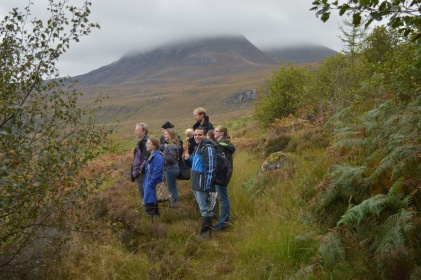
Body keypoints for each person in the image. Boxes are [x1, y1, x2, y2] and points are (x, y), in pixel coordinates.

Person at [184, 126, 217, 238]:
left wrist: (208, 187)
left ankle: (206, 234)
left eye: (200, 135)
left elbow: (211, 168)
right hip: (196, 183)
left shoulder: (207, 148)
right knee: (203, 208)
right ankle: (206, 232)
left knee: (205, 209)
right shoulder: (198, 147)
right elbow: (194, 164)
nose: (197, 137)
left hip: (202, 184)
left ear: (205, 135)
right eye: (195, 135)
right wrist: (187, 160)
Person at [212, 126, 235, 231]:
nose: (214, 133)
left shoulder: (221, 146)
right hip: (223, 176)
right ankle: (223, 221)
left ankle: (223, 223)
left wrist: (216, 176)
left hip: (221, 176)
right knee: (223, 199)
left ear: (221, 133)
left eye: (216, 131)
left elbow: (221, 164)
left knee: (223, 200)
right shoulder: (225, 144)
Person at [143, 137, 164, 217]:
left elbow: (157, 172)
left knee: (151, 209)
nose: (146, 145)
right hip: (148, 186)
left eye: (148, 143)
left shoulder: (158, 157)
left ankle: (155, 227)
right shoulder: (152, 156)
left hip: (152, 187)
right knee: (150, 208)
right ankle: (154, 226)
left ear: (154, 145)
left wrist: (150, 184)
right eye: (146, 143)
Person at [131, 123, 150, 202]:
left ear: (144, 132)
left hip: (143, 174)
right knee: (144, 193)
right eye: (135, 130)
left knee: (145, 194)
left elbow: (147, 158)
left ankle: (150, 212)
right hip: (140, 172)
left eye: (137, 130)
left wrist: (140, 170)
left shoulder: (145, 142)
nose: (135, 132)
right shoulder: (141, 142)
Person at [163, 128, 181, 207]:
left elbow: (171, 159)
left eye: (166, 134)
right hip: (171, 169)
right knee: (172, 188)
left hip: (171, 169)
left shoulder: (171, 146)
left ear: (170, 135)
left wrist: (162, 154)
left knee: (172, 189)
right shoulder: (170, 145)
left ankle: (174, 205)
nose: (164, 135)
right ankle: (174, 204)